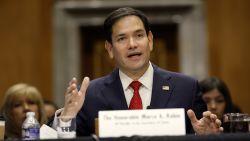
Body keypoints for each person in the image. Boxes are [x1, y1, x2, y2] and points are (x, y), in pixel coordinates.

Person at [53, 7, 223, 136]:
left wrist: (207, 138)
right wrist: (66, 119)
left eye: (139, 35)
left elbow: (201, 132)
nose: (132, 44)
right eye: (122, 38)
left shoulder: (186, 88)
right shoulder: (90, 94)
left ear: (150, 40)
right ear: (110, 48)